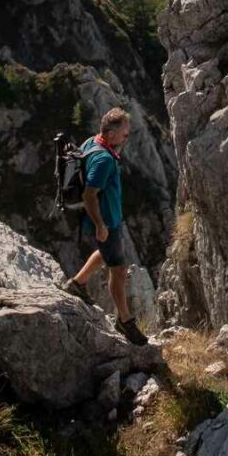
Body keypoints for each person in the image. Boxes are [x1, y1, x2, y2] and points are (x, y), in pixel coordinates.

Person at [61, 107, 149, 345]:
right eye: (124, 133)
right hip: (106, 220)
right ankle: (125, 320)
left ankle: (77, 283)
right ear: (110, 133)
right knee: (118, 270)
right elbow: (90, 195)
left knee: (105, 253)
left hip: (109, 220)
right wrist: (100, 224)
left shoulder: (92, 142)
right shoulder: (103, 159)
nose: (126, 138)